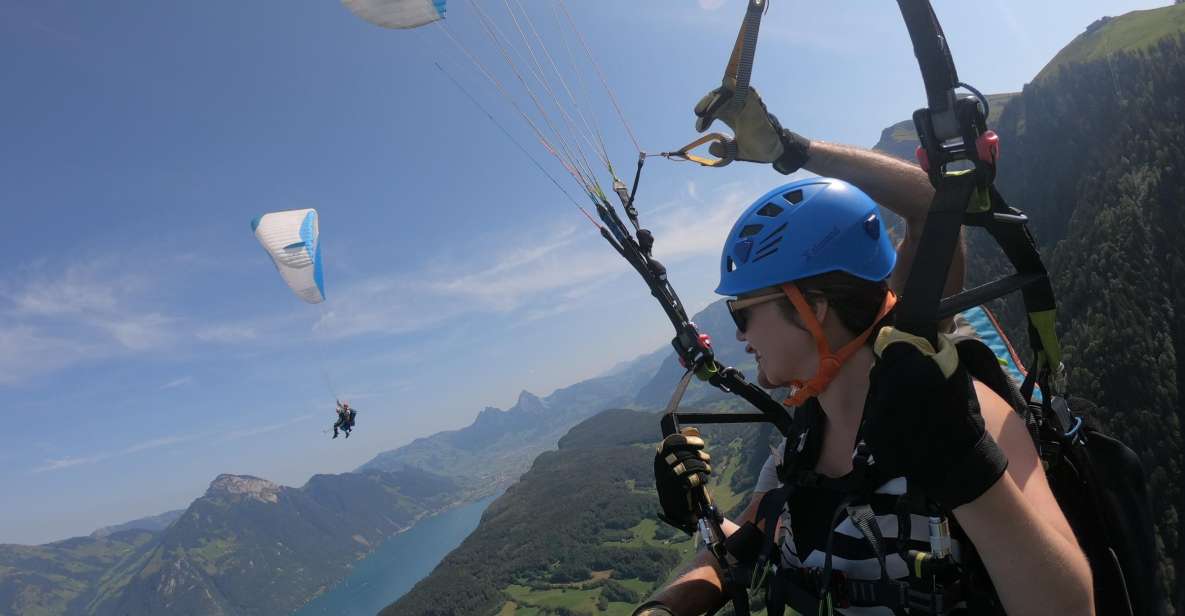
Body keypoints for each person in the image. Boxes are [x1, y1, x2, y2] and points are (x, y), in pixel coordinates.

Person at [634, 86, 1094, 614]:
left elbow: (1070, 604)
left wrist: (793, 150)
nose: (741, 336)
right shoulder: (798, 448)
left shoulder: (966, 417)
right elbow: (747, 541)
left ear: (815, 306)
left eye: (744, 313)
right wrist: (671, 586)